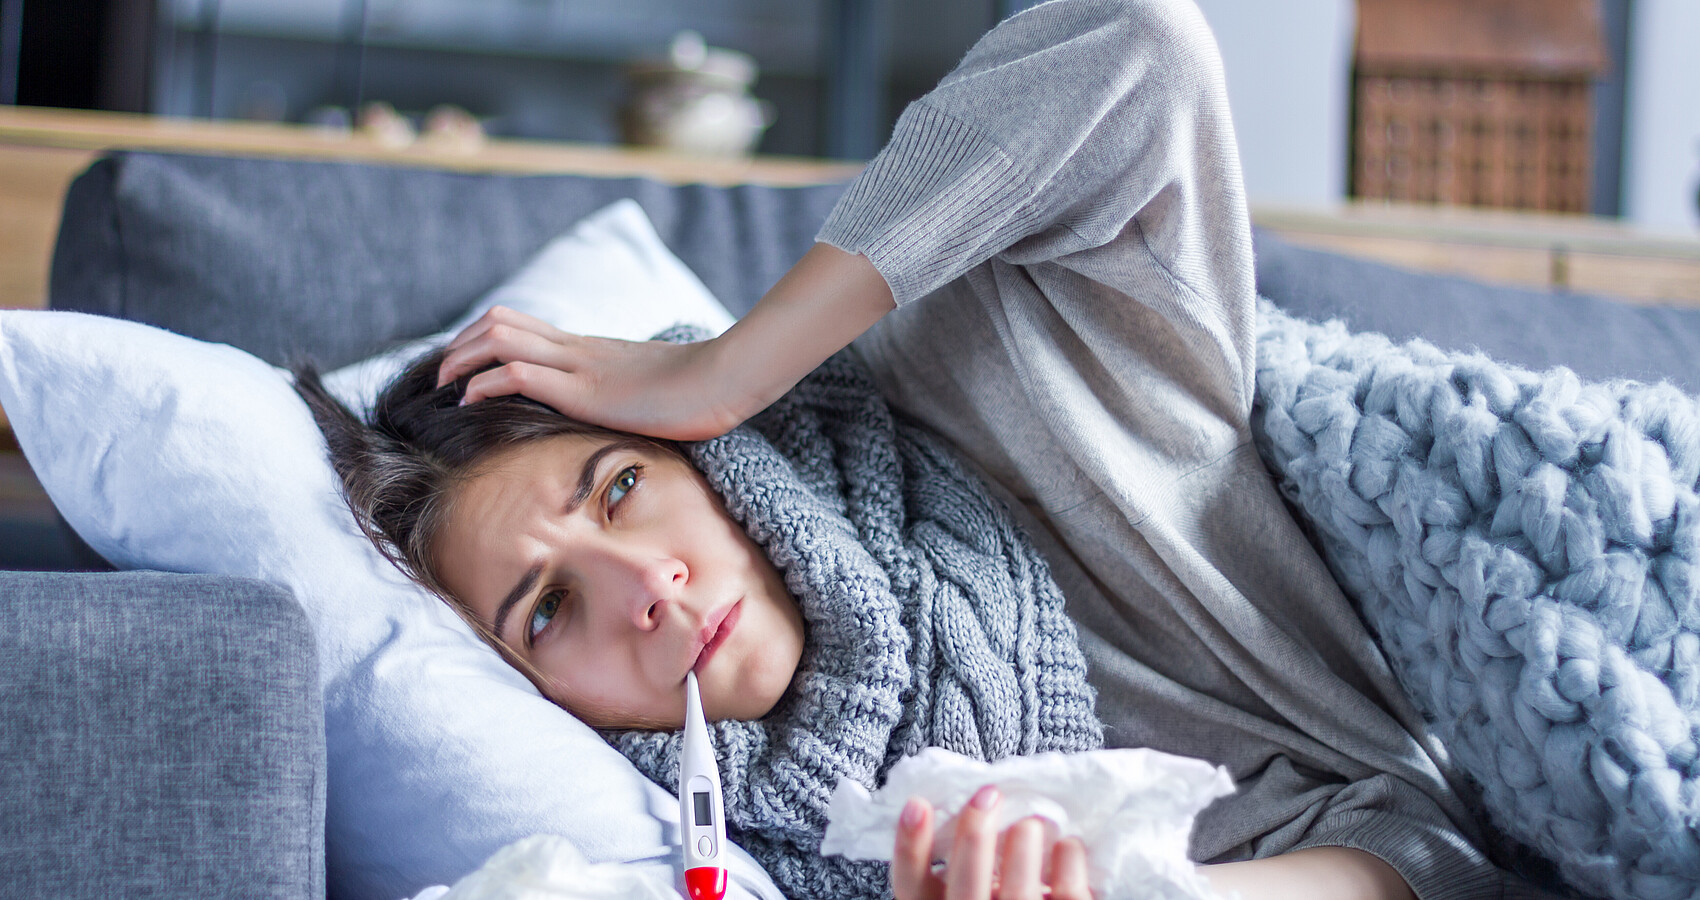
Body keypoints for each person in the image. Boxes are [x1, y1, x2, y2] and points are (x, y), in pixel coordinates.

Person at [297, 1, 1541, 898]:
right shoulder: (711, 850)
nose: (647, 590)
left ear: (692, 446)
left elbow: (1142, 46)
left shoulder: (990, 376)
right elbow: (1411, 852)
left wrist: (728, 364)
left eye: (621, 488)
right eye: (547, 610)